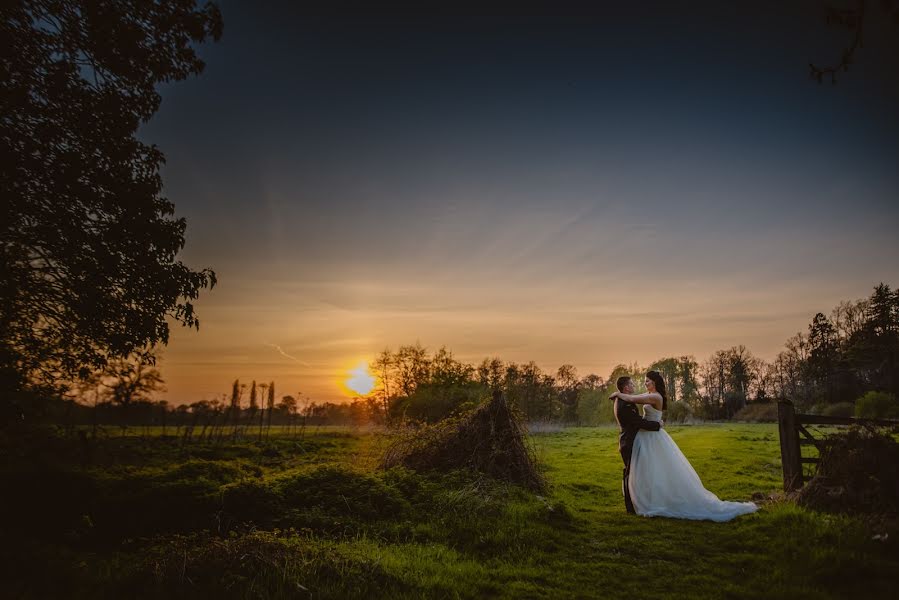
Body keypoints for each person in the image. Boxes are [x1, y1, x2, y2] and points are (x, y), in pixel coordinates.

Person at [610, 370, 758, 522]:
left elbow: (632, 398)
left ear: (654, 383)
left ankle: (658, 500)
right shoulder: (649, 394)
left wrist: (617, 394)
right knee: (649, 470)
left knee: (658, 469)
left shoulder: (655, 396)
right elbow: (635, 400)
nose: (645, 383)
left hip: (653, 436)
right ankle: (650, 498)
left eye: (648, 381)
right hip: (646, 436)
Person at [612, 375, 662, 514]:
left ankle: (635, 504)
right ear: (626, 388)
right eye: (632, 384)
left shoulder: (622, 399)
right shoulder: (625, 403)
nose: (634, 386)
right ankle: (631, 507)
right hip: (629, 442)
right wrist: (657, 424)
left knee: (633, 473)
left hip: (628, 440)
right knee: (630, 475)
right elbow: (638, 422)